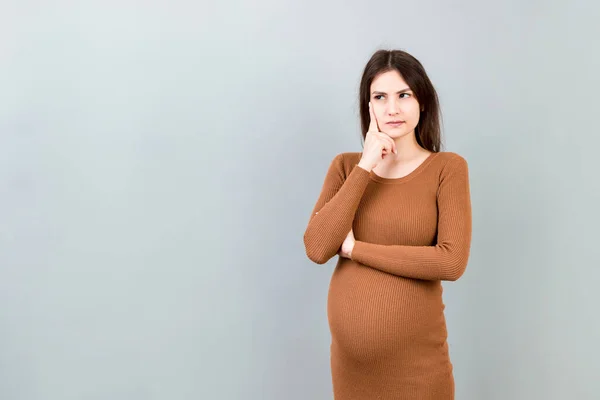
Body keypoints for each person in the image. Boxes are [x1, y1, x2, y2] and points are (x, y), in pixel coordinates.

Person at [303, 49, 472, 399]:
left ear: (422, 100)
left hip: (418, 373)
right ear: (369, 106)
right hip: (352, 374)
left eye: (403, 95)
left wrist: (354, 248)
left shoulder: (447, 169)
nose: (392, 109)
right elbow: (318, 248)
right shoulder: (347, 168)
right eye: (380, 97)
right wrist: (366, 165)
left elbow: (451, 262)